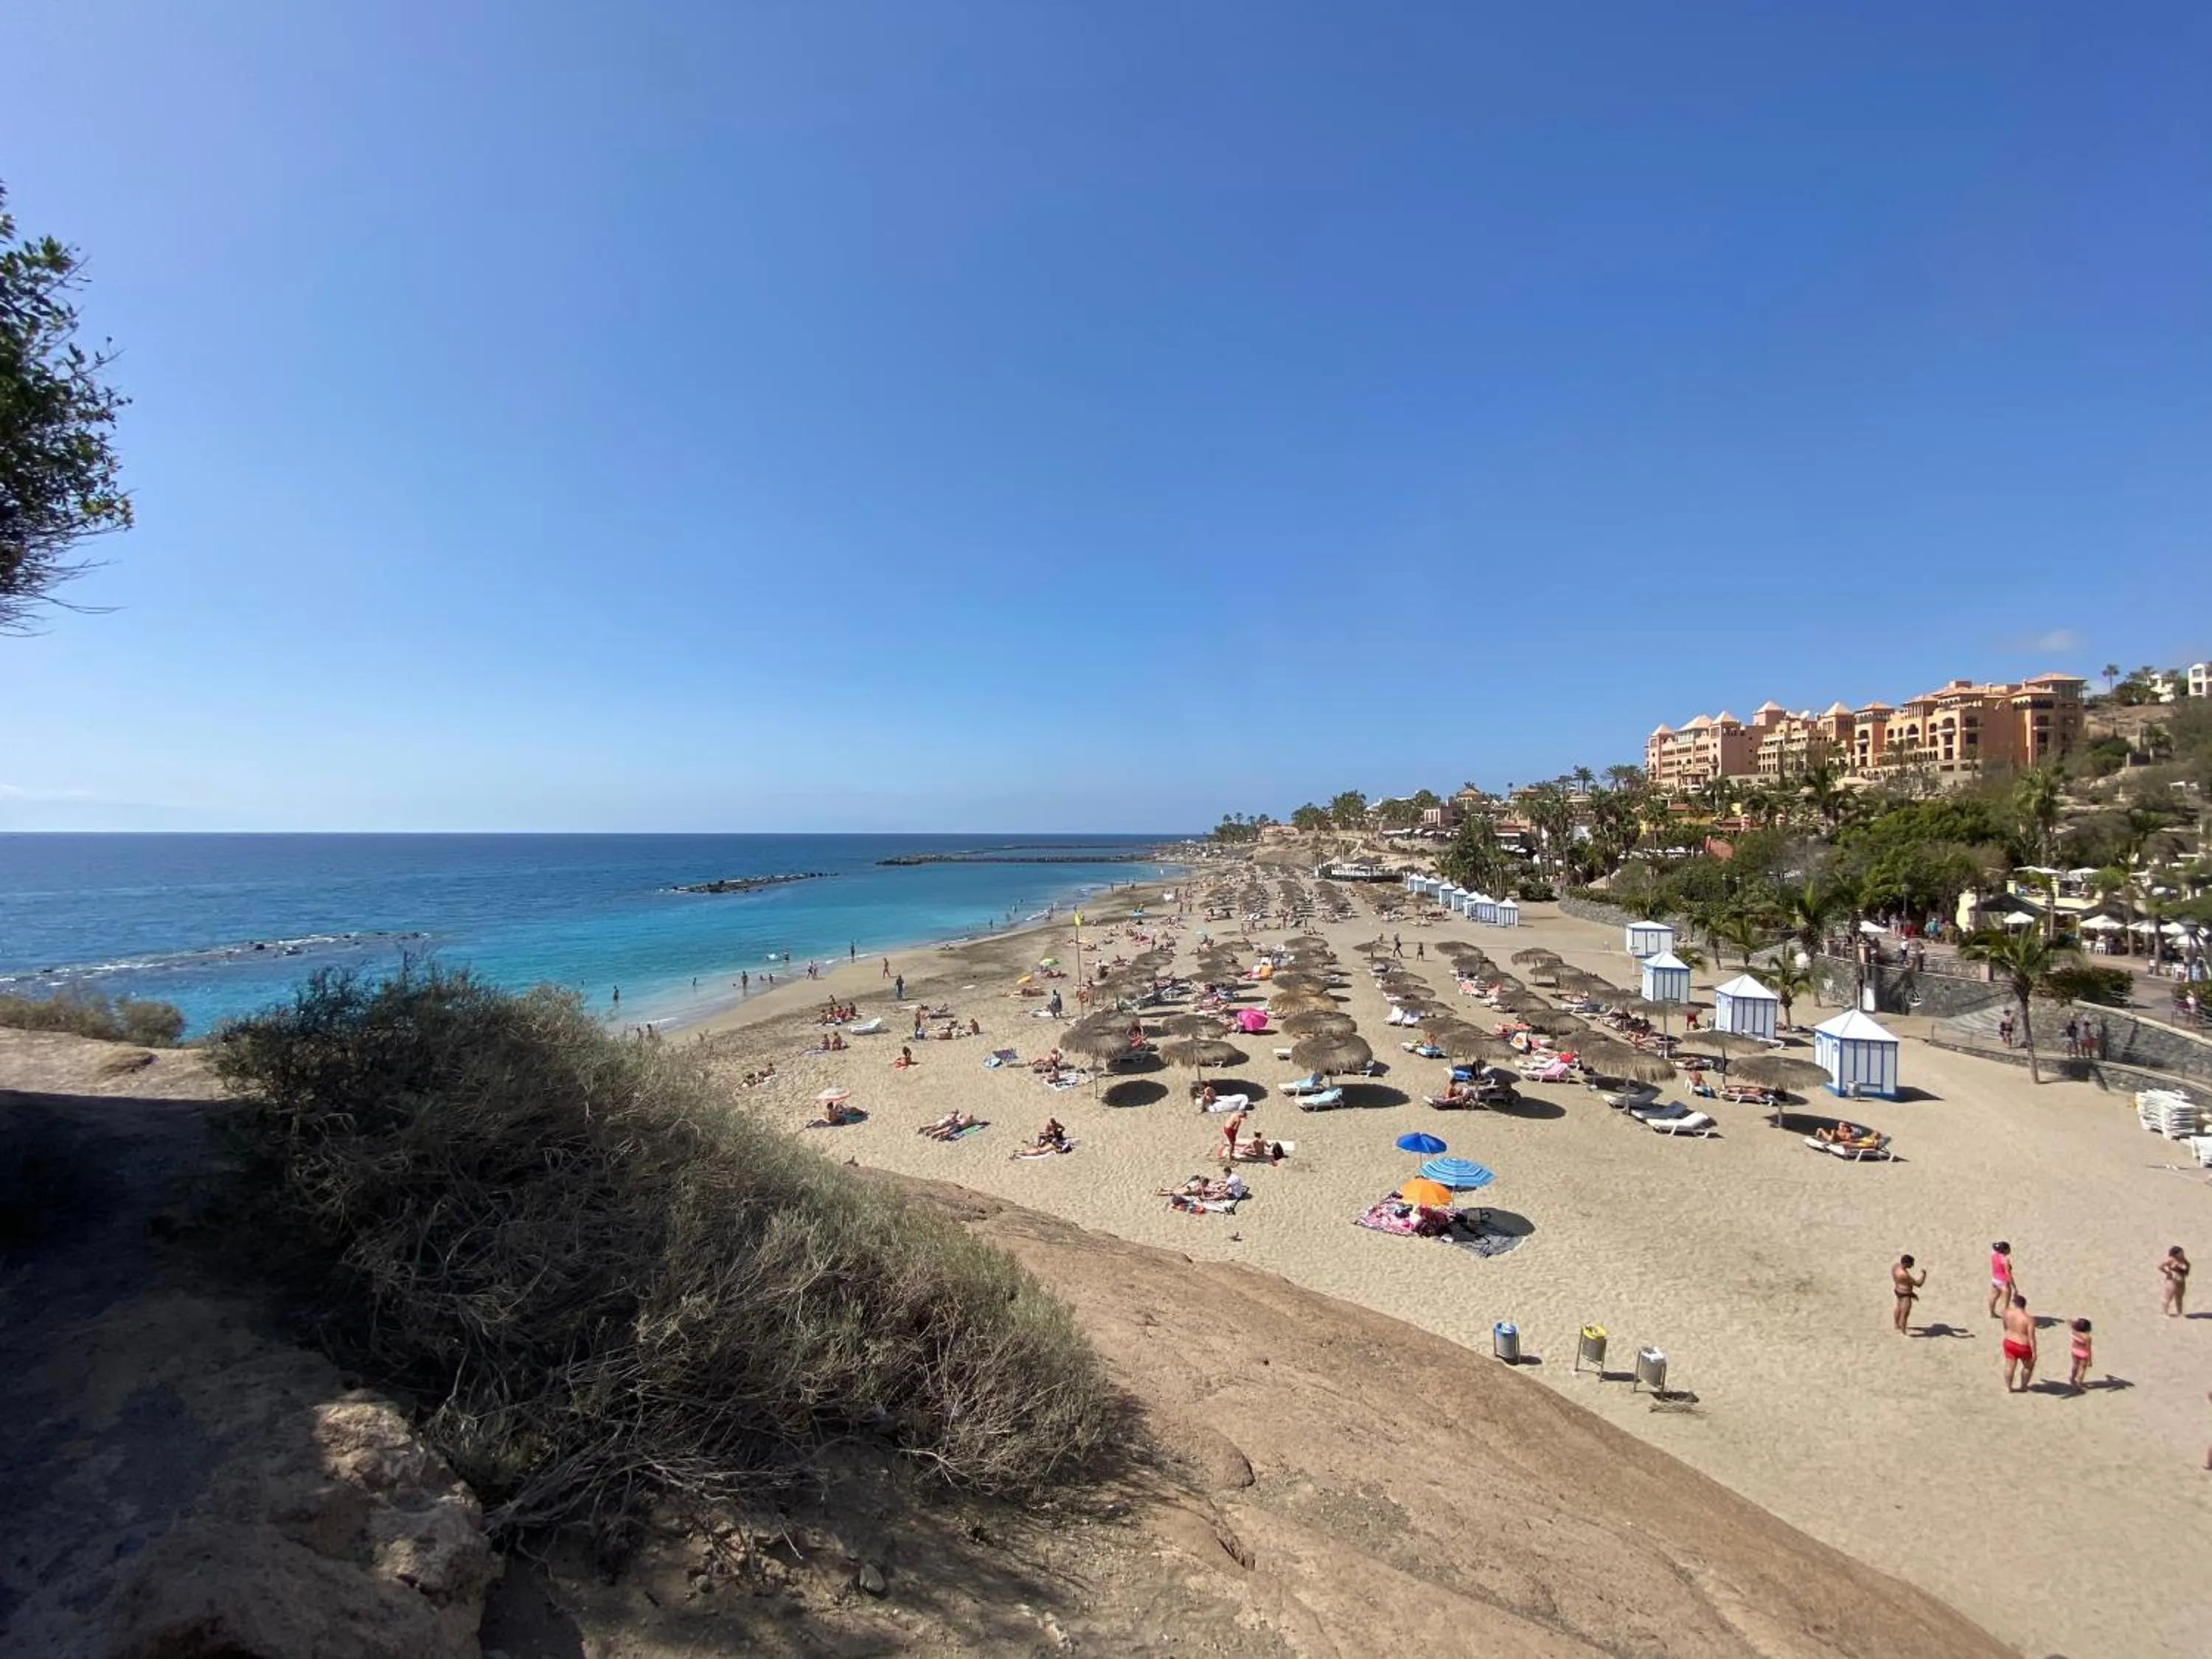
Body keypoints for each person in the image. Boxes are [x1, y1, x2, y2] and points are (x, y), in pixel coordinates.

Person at [2001, 1294, 2037, 1392]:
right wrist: (2034, 1352)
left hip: (2009, 1341)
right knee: (2028, 1366)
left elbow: (2005, 1327)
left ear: (2014, 1304)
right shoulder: (2029, 1319)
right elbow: (2031, 1338)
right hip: (2023, 1345)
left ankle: (2008, 1387)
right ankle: (2023, 1386)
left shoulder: (2006, 1313)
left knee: (2009, 1366)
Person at [1893, 1253, 1927, 1334]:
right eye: (1911, 1263)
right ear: (1906, 1263)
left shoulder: (1895, 1266)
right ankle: (1903, 1332)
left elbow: (1904, 1283)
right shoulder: (1904, 1275)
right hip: (1905, 1294)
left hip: (1898, 1290)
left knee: (1898, 1308)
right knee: (1905, 1313)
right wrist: (1924, 1275)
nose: (1912, 1265)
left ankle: (1896, 1324)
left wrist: (1912, 1293)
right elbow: (1918, 1284)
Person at [1989, 1241, 2016, 1321]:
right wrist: (2014, 1287)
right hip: (2003, 1281)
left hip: (1995, 1279)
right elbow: (2009, 1275)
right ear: (2006, 1250)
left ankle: (1992, 1313)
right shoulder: (2005, 1260)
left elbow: (1993, 1247)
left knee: (1993, 1297)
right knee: (2005, 1302)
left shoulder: (1994, 1255)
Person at [2161, 1245, 2191, 1317]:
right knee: (2168, 1297)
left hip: (2181, 1281)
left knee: (2179, 1297)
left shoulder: (2184, 1260)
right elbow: (2160, 1266)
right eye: (2180, 1253)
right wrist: (2168, 1272)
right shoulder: (2170, 1260)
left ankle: (2180, 1313)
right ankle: (2165, 1313)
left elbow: (2187, 1267)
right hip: (2172, 1281)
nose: (2182, 1254)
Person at [2067, 1318, 2093, 1392]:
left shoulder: (2074, 1331)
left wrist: (2074, 1323)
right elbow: (2089, 1349)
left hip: (2074, 1351)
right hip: (2084, 1354)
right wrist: (2090, 1361)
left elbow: (2069, 1321)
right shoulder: (2087, 1338)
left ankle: (2072, 1379)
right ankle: (2079, 1385)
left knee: (2075, 1365)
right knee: (2082, 1369)